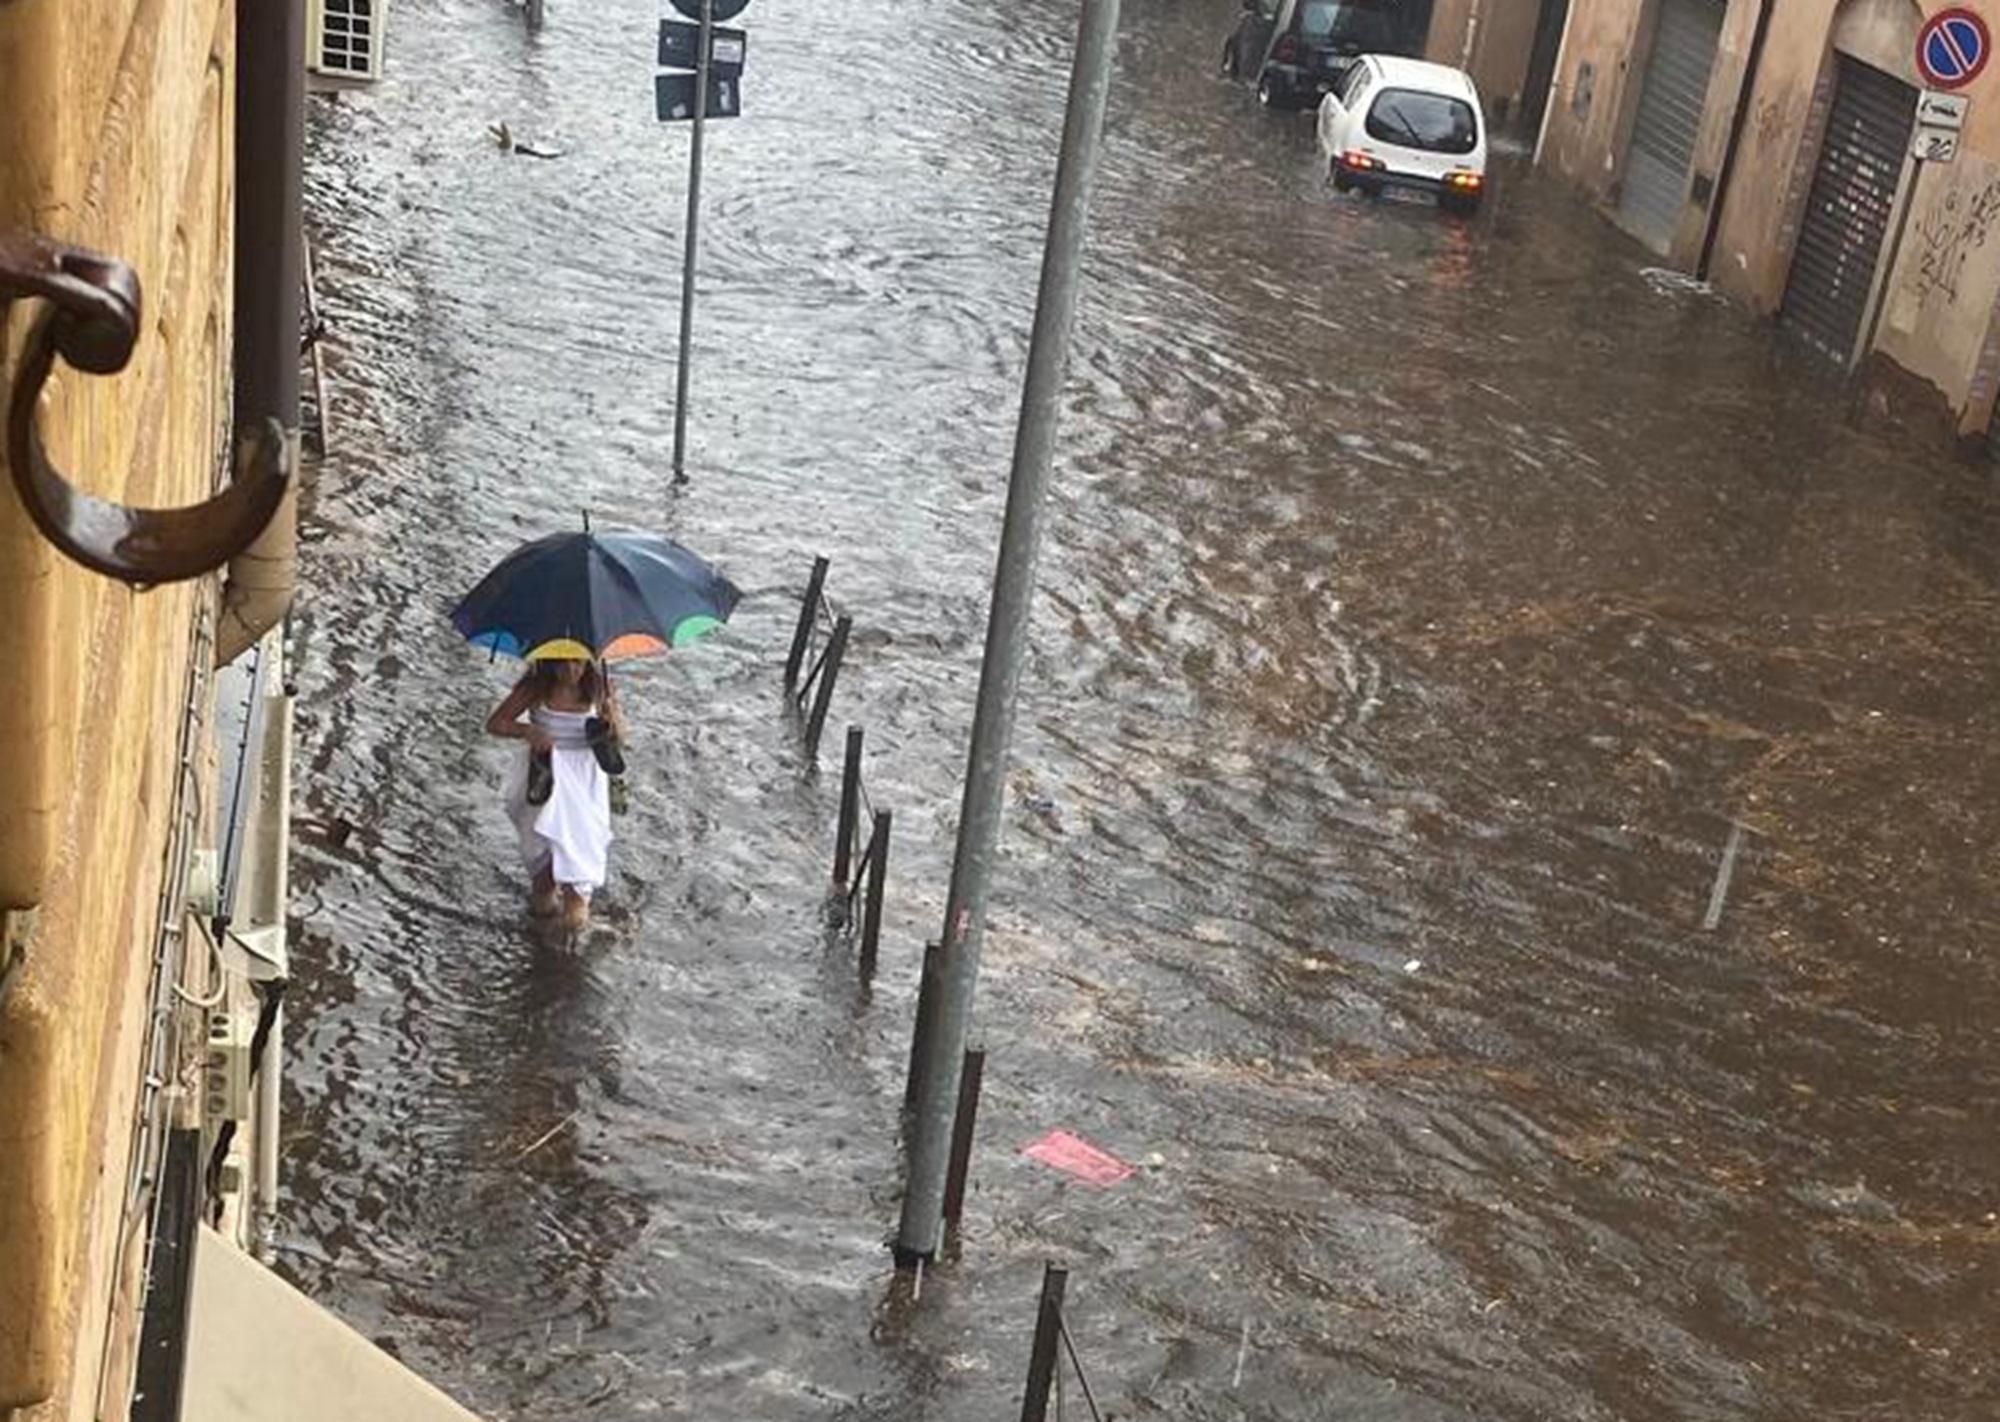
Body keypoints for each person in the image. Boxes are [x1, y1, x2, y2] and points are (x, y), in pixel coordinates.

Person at [486, 658, 622, 935]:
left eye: (578, 663)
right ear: (551, 661)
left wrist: (612, 720)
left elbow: (618, 739)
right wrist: (527, 731)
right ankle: (540, 937)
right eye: (563, 664)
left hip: (584, 784)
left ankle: (570, 943)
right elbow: (496, 723)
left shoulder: (600, 687)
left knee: (579, 872)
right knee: (544, 880)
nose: (571, 671)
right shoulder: (535, 687)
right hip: (545, 778)